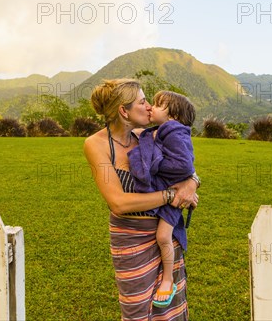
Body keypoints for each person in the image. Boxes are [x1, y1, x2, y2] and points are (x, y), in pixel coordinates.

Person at [84, 79, 200, 320]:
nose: (149, 106)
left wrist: (191, 183)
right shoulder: (97, 145)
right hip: (130, 241)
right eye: (142, 101)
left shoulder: (147, 135)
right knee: (136, 308)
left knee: (170, 309)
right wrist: (170, 195)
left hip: (165, 233)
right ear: (123, 111)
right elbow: (119, 202)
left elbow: (183, 164)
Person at [127, 91, 196, 308]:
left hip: (172, 196)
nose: (151, 108)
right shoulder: (161, 130)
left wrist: (154, 165)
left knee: (163, 236)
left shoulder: (173, 132)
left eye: (157, 105)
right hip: (167, 193)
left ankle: (168, 279)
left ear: (173, 116)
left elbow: (184, 166)